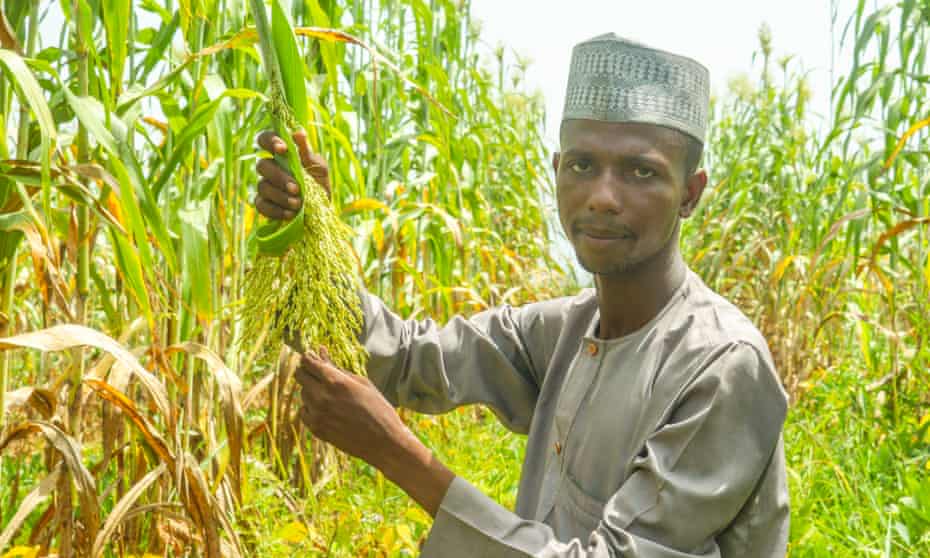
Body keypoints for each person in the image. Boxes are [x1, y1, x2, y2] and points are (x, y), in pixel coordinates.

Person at [253, 33, 789, 557]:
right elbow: (407, 358)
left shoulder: (720, 366)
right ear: (556, 172)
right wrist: (311, 225)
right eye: (582, 165)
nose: (603, 197)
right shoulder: (564, 331)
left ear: (690, 194)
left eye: (641, 172)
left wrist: (399, 456)